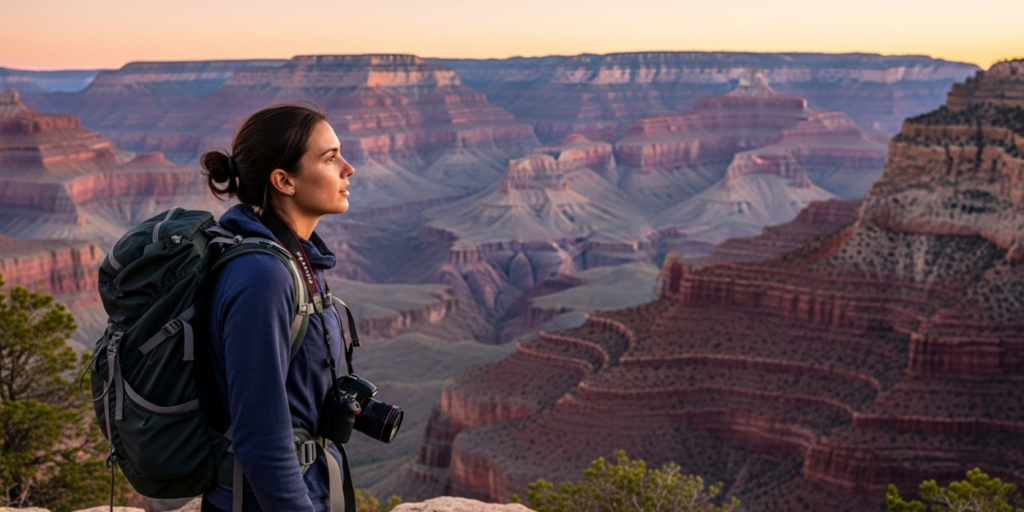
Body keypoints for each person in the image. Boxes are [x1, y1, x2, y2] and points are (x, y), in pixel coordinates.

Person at [198, 104, 356, 512]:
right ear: (284, 181)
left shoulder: (295, 257)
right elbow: (261, 440)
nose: (348, 168)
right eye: (329, 158)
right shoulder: (263, 276)